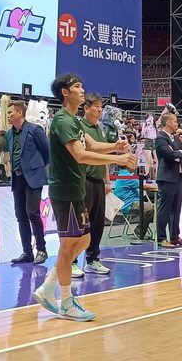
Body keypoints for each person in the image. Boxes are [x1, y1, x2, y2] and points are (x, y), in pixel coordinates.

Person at [33, 74, 136, 322]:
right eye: (77, 86)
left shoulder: (74, 121)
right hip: (65, 190)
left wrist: (115, 146)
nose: (82, 90)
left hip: (76, 190)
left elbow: (91, 145)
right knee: (69, 245)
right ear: (65, 92)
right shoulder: (62, 121)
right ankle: (66, 302)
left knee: (84, 240)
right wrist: (118, 159)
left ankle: (49, 286)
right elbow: (80, 155)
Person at [0, 100, 49, 265]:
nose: (8, 115)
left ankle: (41, 249)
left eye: (10, 112)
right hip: (17, 178)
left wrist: (35, 167)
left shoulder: (35, 129)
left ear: (20, 113)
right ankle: (27, 252)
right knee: (20, 215)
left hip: (33, 176)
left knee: (33, 213)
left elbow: (46, 152)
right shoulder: (9, 134)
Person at [72, 93, 111, 278]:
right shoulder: (79, 126)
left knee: (97, 222)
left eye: (101, 107)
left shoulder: (100, 129)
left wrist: (107, 180)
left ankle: (92, 259)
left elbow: (103, 157)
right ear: (86, 108)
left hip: (98, 182)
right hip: (84, 180)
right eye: (96, 106)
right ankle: (72, 261)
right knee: (80, 223)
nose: (99, 110)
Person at [155, 112, 182, 248]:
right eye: (175, 121)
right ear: (168, 123)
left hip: (179, 177)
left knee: (176, 208)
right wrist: (179, 153)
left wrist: (178, 153)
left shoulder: (175, 138)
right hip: (167, 178)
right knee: (164, 209)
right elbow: (169, 154)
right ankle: (161, 238)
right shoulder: (160, 138)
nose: (177, 124)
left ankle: (175, 236)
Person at [114, 168, 154, 239]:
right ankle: (139, 231)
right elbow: (143, 186)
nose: (135, 166)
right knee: (150, 208)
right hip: (128, 205)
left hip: (129, 202)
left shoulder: (122, 174)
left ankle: (141, 229)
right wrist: (158, 186)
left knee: (151, 205)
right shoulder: (127, 176)